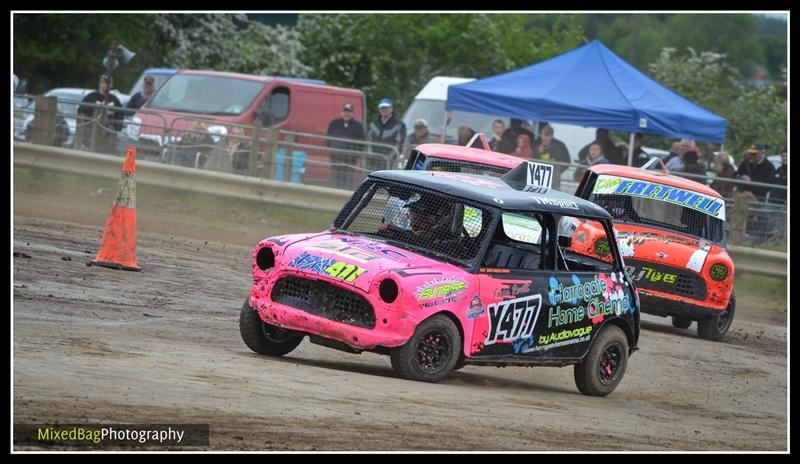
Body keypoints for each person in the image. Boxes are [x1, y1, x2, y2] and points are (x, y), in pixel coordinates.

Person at [78, 75, 123, 153]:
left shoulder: (115, 100)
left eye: (109, 83)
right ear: (100, 83)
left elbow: (120, 115)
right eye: (105, 83)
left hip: (108, 132)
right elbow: (81, 112)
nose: (107, 85)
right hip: (91, 130)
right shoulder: (90, 97)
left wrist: (118, 129)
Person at [327, 103, 366, 189]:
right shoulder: (334, 123)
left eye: (349, 112)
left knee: (348, 180)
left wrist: (355, 155)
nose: (346, 114)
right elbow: (328, 139)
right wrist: (333, 151)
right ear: (342, 112)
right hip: (336, 158)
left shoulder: (358, 126)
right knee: (335, 179)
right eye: (345, 111)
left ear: (352, 113)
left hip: (350, 159)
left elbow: (362, 143)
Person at [368, 98, 406, 171]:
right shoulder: (373, 123)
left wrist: (392, 157)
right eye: (382, 107)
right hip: (374, 159)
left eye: (387, 108)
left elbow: (400, 143)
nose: (384, 110)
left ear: (391, 109)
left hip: (390, 160)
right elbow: (369, 140)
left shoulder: (399, 124)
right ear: (379, 109)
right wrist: (371, 154)